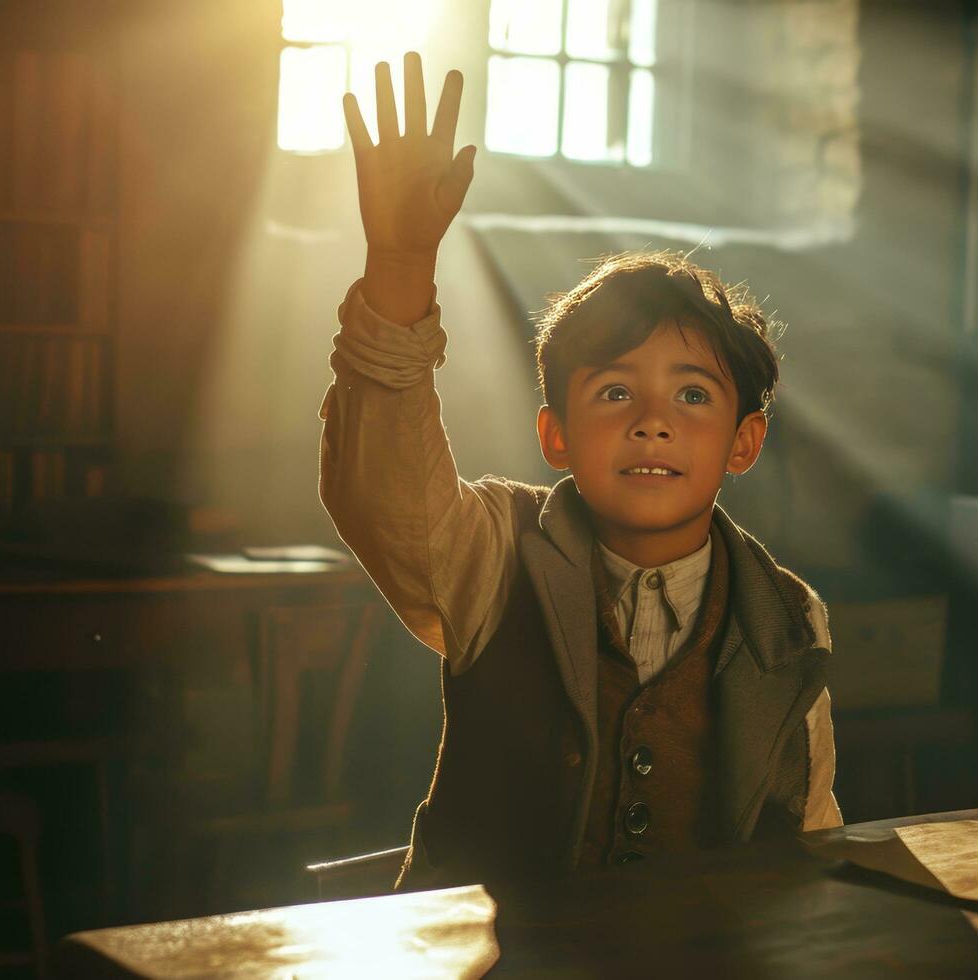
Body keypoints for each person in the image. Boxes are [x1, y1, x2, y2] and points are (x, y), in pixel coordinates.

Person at [319, 52, 841, 892]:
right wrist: (398, 265)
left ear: (744, 444)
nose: (652, 419)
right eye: (613, 391)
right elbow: (383, 496)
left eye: (694, 394)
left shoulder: (789, 615)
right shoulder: (494, 554)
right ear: (555, 435)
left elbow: (810, 822)